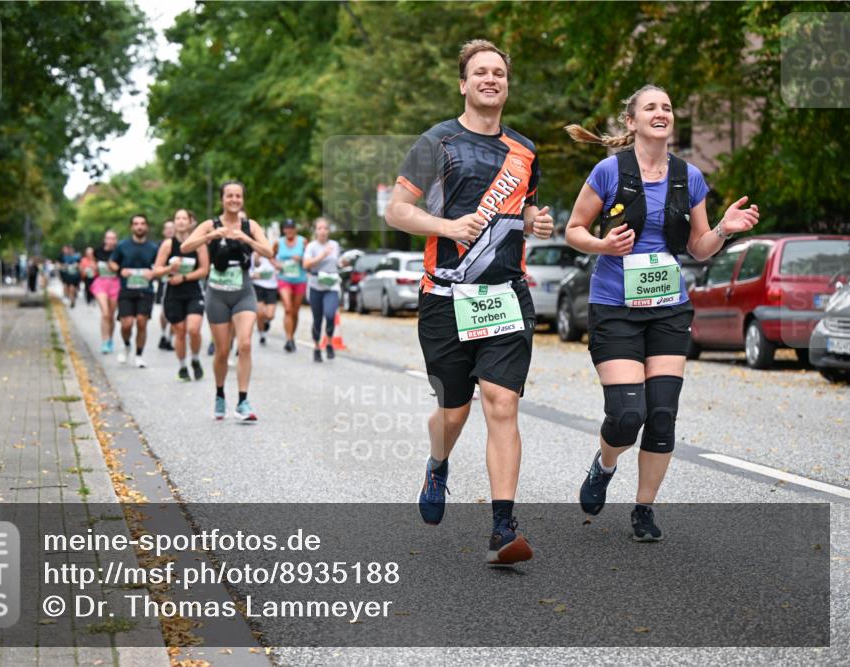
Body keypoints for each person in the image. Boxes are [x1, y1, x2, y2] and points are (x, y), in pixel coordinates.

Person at [564, 84, 759, 541]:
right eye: (651, 107)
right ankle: (605, 464)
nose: (661, 112)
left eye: (668, 107)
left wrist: (724, 230)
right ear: (631, 121)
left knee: (663, 413)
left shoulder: (688, 177)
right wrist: (602, 244)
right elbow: (574, 229)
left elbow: (698, 246)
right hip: (614, 305)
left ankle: (644, 509)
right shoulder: (609, 171)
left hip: (668, 307)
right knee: (627, 414)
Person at [384, 40, 554, 565]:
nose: (490, 79)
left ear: (506, 84)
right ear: (463, 84)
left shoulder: (524, 151)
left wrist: (533, 223)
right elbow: (396, 211)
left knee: (502, 403)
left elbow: (517, 212)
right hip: (445, 296)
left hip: (504, 296)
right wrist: (447, 226)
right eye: (479, 72)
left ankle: (503, 527)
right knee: (453, 411)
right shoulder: (436, 142)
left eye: (498, 73)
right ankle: (438, 464)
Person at [180, 181, 272, 422]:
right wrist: (211, 235)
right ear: (222, 199)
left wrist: (247, 239)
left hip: (243, 292)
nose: (234, 199)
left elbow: (269, 251)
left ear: (242, 199)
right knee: (222, 351)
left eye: (238, 196)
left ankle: (243, 401)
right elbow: (185, 245)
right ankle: (220, 394)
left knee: (245, 345)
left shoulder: (250, 225)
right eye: (229, 195)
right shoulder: (211, 224)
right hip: (217, 294)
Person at [154, 209, 208, 381]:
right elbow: (157, 270)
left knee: (193, 329)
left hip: (193, 291)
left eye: (184, 218)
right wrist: (171, 269)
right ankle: (183, 366)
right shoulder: (168, 245)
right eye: (177, 218)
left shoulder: (198, 244)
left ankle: (195, 359)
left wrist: (183, 277)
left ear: (191, 222)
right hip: (173, 294)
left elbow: (204, 270)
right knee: (180, 331)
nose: (181, 221)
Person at [109, 215, 159, 367]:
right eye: (136, 224)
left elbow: (158, 267)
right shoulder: (123, 245)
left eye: (142, 224)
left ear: (147, 227)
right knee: (126, 324)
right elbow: (112, 263)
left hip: (146, 290)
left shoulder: (153, 248)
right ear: (131, 227)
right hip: (126, 290)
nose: (139, 226)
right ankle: (126, 346)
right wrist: (120, 270)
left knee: (142, 322)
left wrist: (153, 273)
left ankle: (139, 355)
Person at [303, 217, 347, 362]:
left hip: (331, 285)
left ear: (329, 231)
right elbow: (306, 264)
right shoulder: (311, 247)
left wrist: (343, 262)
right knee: (317, 319)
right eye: (320, 228)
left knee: (329, 315)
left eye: (325, 228)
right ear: (315, 230)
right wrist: (323, 255)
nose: (322, 231)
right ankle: (316, 347)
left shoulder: (334, 245)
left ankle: (328, 343)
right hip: (316, 285)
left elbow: (338, 262)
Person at [275, 219, 307, 352]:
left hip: (300, 278)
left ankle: (292, 337)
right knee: (288, 308)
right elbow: (270, 255)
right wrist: (277, 265)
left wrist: (301, 259)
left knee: (295, 311)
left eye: (292, 228)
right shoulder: (278, 242)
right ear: (283, 230)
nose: (289, 230)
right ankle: (288, 339)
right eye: (287, 228)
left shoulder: (303, 241)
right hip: (284, 278)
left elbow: (309, 257)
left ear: (295, 229)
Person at [90, 230, 120, 353]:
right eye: (108, 238)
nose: (110, 241)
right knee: (105, 314)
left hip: (115, 283)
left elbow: (120, 269)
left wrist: (112, 265)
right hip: (101, 283)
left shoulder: (119, 252)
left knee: (111, 316)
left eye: (113, 238)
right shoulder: (97, 251)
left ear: (116, 240)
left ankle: (110, 340)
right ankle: (104, 341)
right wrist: (93, 268)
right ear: (104, 239)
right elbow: (94, 265)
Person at [251, 245, 279, 346]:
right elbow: (250, 269)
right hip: (258, 286)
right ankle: (262, 335)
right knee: (259, 314)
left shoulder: (274, 255)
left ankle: (266, 322)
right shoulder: (255, 254)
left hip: (272, 287)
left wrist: (275, 263)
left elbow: (281, 267)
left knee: (270, 315)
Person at [156, 219, 176, 351]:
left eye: (171, 227)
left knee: (177, 313)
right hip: (164, 282)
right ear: (163, 231)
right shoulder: (160, 246)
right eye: (167, 228)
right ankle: (163, 334)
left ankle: (170, 338)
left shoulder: (182, 244)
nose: (169, 230)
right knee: (165, 311)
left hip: (180, 282)